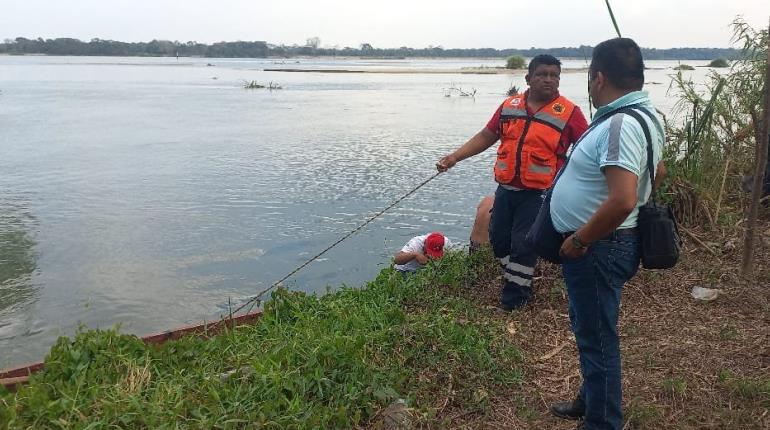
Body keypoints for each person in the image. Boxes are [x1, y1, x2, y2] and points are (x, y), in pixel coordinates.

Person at [548, 38, 666, 430]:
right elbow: (657, 172)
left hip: (599, 247)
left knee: (598, 338)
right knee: (590, 329)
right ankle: (591, 399)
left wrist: (581, 238)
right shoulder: (646, 115)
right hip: (606, 245)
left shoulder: (619, 124)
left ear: (598, 78)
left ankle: (602, 422)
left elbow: (622, 200)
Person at [436, 54, 588, 310]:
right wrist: (455, 157)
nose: (549, 80)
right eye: (542, 74)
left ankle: (514, 300)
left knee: (523, 245)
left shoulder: (570, 113)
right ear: (528, 78)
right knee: (499, 241)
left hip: (539, 193)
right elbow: (487, 135)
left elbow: (587, 147)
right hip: (506, 190)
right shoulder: (509, 106)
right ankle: (521, 280)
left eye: (554, 75)